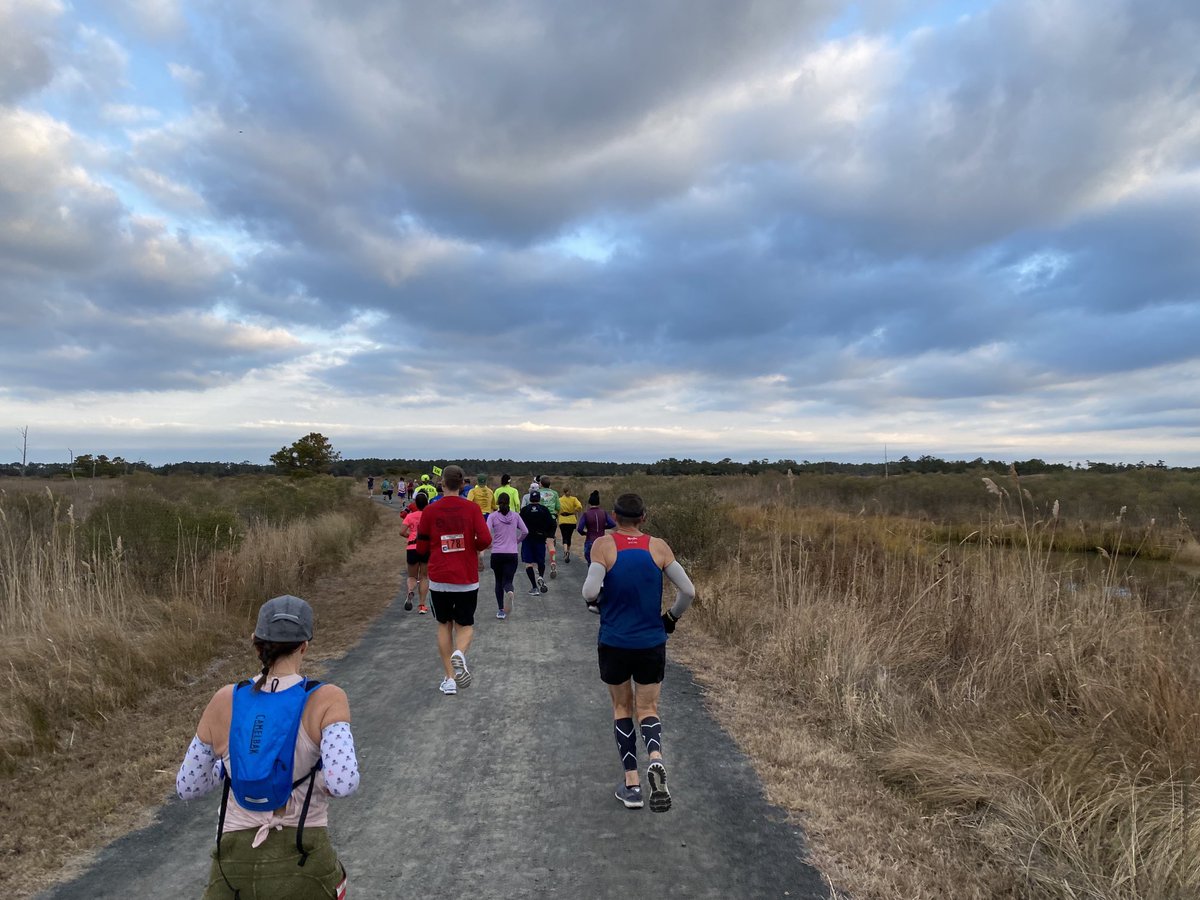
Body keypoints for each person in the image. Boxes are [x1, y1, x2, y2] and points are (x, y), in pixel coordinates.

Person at [177, 595, 359, 898]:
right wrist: (316, 779)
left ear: (256, 643)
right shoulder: (327, 698)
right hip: (303, 857)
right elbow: (344, 783)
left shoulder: (224, 699)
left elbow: (187, 786)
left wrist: (227, 770)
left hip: (234, 866)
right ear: (305, 645)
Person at [581, 493, 695, 813]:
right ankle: (656, 760)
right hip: (651, 642)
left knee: (622, 708)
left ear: (614, 518)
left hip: (615, 641)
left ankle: (632, 785)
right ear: (643, 518)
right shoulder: (658, 547)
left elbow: (590, 591)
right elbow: (688, 590)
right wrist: (670, 618)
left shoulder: (604, 545)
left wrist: (598, 604)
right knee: (648, 708)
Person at [415, 465, 492, 694]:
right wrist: (471, 547)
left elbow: (420, 547)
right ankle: (460, 653)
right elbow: (486, 538)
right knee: (465, 625)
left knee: (444, 624)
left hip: (439, 577)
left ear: (441, 483)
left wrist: (436, 549)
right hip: (466, 577)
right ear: (462, 484)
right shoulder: (472, 509)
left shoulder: (430, 510)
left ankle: (449, 679)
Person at [487, 492, 527, 619]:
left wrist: (491, 543)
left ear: (498, 502)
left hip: (497, 553)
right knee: (508, 580)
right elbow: (525, 531)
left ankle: (501, 610)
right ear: (509, 502)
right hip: (511, 553)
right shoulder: (515, 516)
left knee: (498, 581)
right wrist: (517, 541)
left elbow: (487, 532)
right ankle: (510, 591)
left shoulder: (492, 517)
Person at [519, 489, 556, 595]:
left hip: (528, 539)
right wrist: (547, 534)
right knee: (541, 561)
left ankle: (534, 587)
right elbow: (551, 523)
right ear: (539, 499)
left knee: (528, 563)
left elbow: (519, 524)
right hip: (540, 538)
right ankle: (540, 576)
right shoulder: (544, 509)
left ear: (530, 498)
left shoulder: (525, 510)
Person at [400, 492, 430, 614]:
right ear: (427, 503)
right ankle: (422, 605)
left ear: (416, 504)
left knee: (412, 576)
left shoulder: (410, 516)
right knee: (424, 576)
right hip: (426, 548)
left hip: (412, 547)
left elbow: (401, 531)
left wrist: (410, 536)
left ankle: (410, 591)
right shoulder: (429, 516)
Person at [576, 490, 617, 564]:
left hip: (590, 541)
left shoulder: (586, 514)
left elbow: (579, 529)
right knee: (602, 563)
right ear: (598, 502)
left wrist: (584, 533)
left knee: (591, 563)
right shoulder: (603, 513)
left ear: (589, 502)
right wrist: (603, 527)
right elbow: (613, 524)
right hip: (601, 541)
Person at [536, 476, 561, 578]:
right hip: (552, 519)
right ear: (549, 484)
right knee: (550, 543)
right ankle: (553, 562)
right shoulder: (555, 493)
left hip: (541, 519)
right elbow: (558, 507)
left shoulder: (537, 492)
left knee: (540, 542)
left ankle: (539, 564)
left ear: (540, 484)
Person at [557, 487, 583, 564]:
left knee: (564, 536)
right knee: (569, 537)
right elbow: (579, 506)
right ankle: (568, 551)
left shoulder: (560, 499)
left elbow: (557, 508)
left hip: (563, 520)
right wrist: (574, 510)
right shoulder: (574, 499)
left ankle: (565, 551)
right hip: (571, 520)